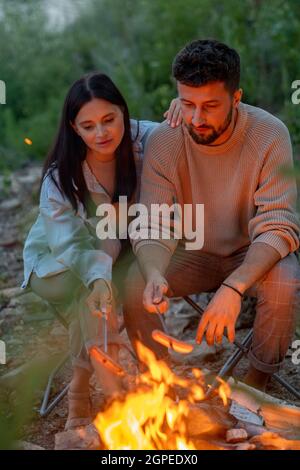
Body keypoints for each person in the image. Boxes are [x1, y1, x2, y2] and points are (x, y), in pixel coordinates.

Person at [124, 39, 300, 392]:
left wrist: (234, 287)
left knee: (286, 278)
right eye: (187, 104)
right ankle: (162, 383)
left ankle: (256, 385)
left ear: (236, 99)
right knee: (136, 278)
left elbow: (279, 223)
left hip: (250, 253)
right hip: (193, 253)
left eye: (210, 106)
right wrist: (155, 269)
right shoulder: (165, 139)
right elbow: (153, 223)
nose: (196, 118)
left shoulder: (269, 134)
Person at [22, 71, 181, 429]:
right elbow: (71, 246)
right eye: (89, 126)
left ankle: (146, 381)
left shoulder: (150, 139)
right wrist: (99, 279)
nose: (101, 133)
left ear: (123, 112)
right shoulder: (61, 176)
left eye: (109, 120)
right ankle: (92, 390)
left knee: (128, 282)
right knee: (89, 292)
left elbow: (192, 131)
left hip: (119, 250)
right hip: (59, 263)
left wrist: (182, 109)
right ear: (74, 128)